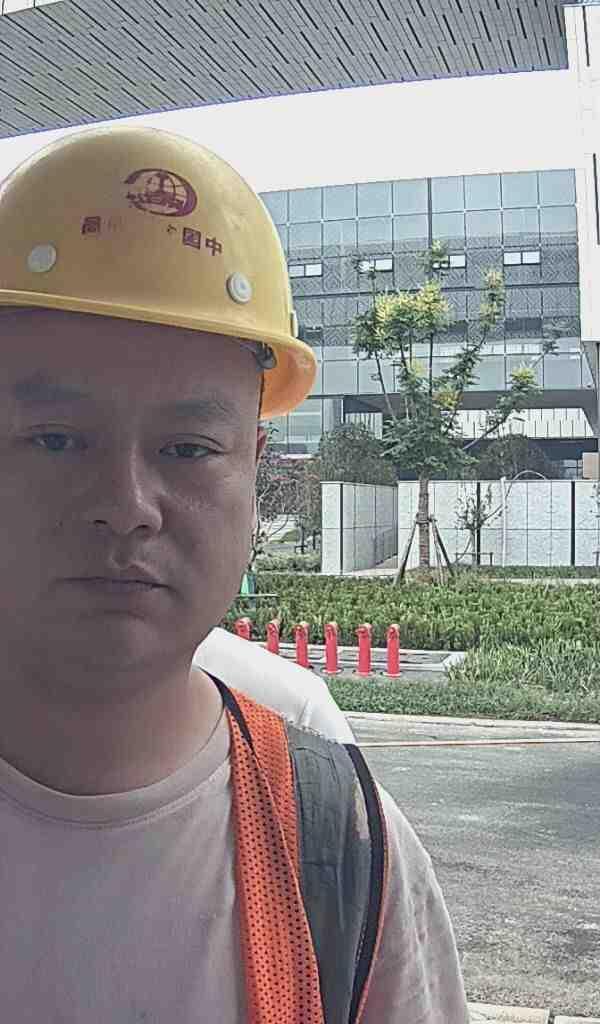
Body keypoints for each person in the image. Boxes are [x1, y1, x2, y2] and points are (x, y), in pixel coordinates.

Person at [0, 125, 469, 1022]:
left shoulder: (339, 849)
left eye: (187, 448)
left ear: (254, 469)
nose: (126, 505)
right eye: (57, 440)